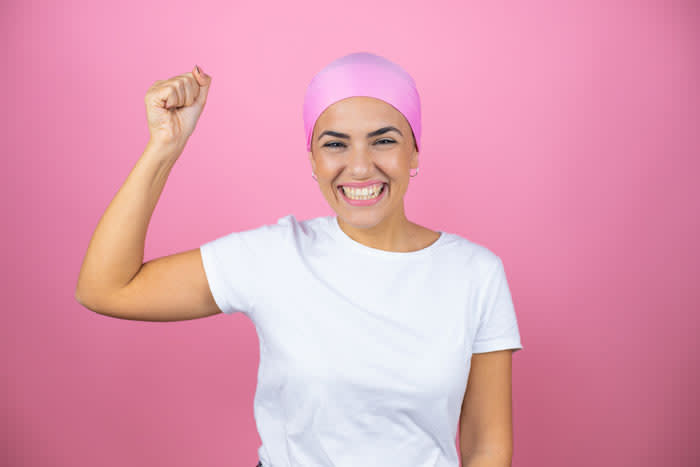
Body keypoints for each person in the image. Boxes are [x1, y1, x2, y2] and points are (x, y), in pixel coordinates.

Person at [75, 52, 523, 467]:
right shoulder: (274, 256)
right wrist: (165, 146)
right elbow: (106, 288)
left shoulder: (475, 273)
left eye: (383, 140)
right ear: (312, 159)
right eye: (335, 145)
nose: (361, 167)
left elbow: (486, 440)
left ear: (415, 151)